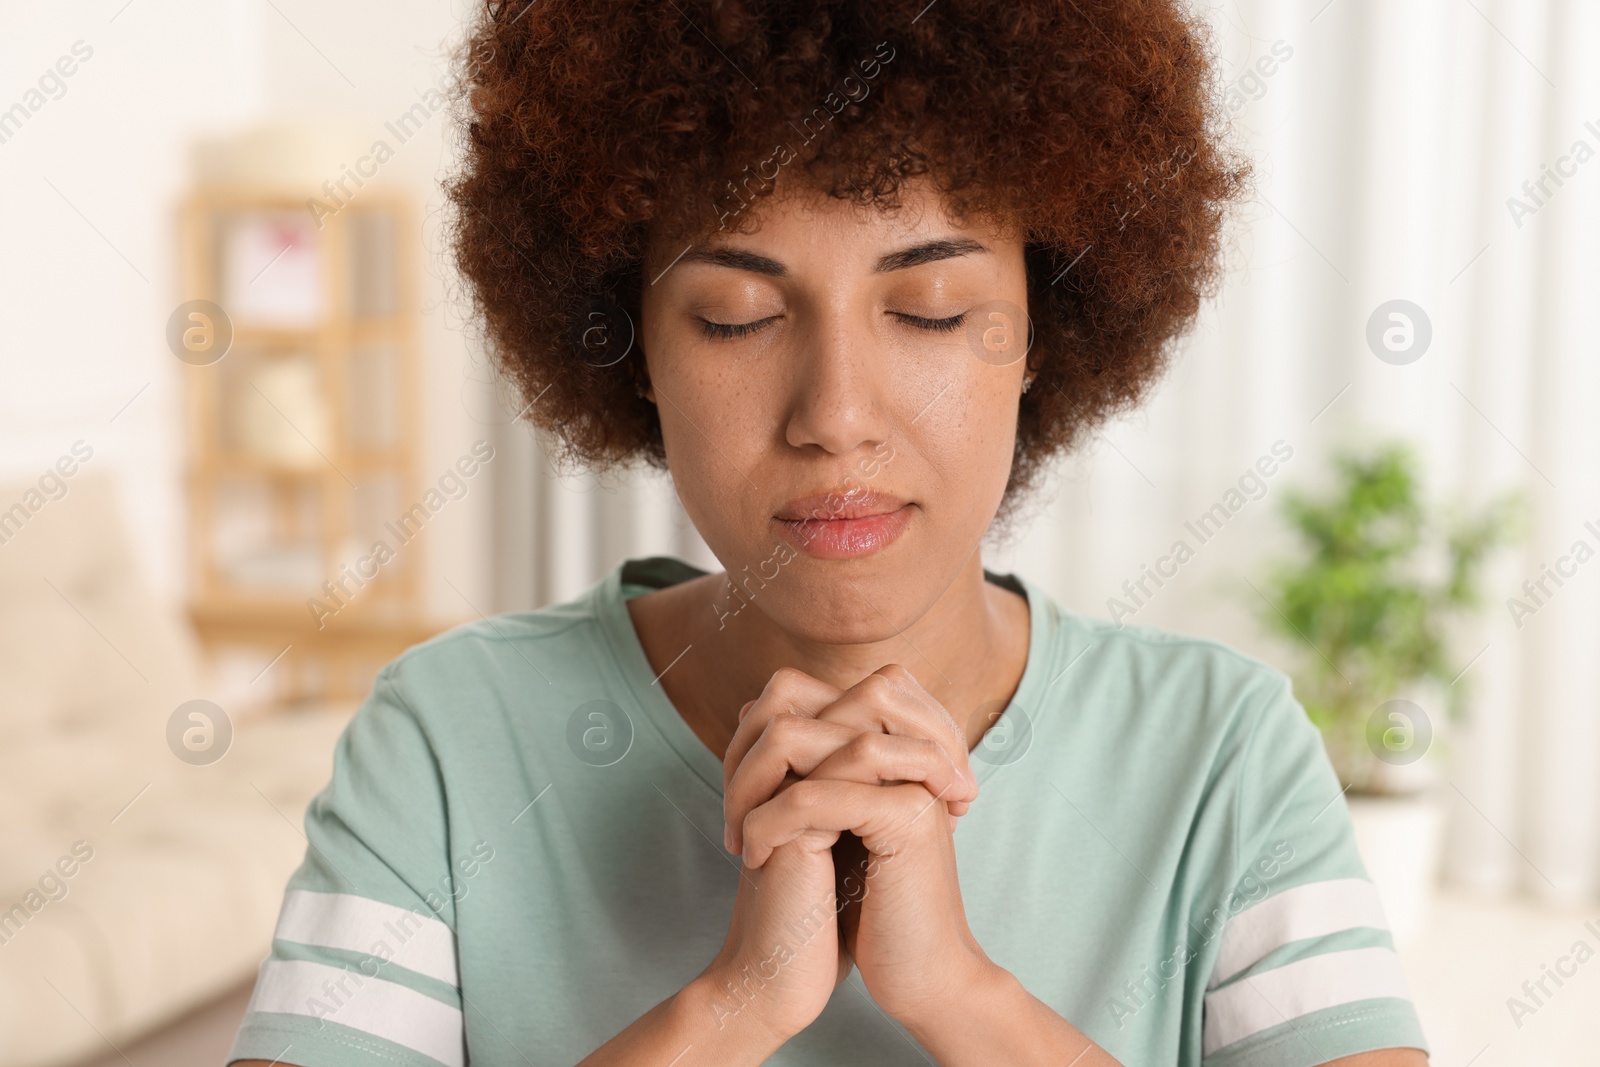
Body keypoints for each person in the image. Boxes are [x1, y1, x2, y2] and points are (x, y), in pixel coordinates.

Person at [229, 1, 1431, 1064]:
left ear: (1045, 327)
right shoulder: (447, 740)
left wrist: (962, 997)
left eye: (931, 307)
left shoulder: (1220, 753)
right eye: (737, 316)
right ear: (630, 346)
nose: (836, 416)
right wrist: (733, 1008)